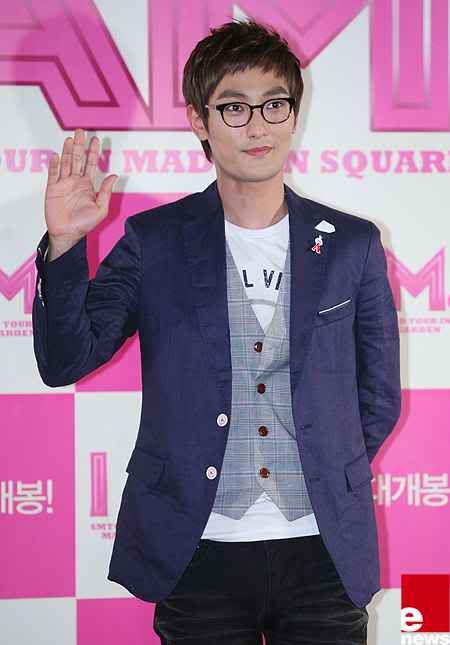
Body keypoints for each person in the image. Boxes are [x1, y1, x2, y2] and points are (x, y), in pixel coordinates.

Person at [33, 18, 401, 645]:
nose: (257, 126)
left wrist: (322, 463)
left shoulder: (352, 244)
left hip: (324, 550)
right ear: (199, 121)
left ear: (293, 113)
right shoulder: (154, 242)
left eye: (274, 104)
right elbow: (66, 359)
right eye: (234, 108)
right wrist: (66, 244)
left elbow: (379, 396)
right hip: (196, 549)